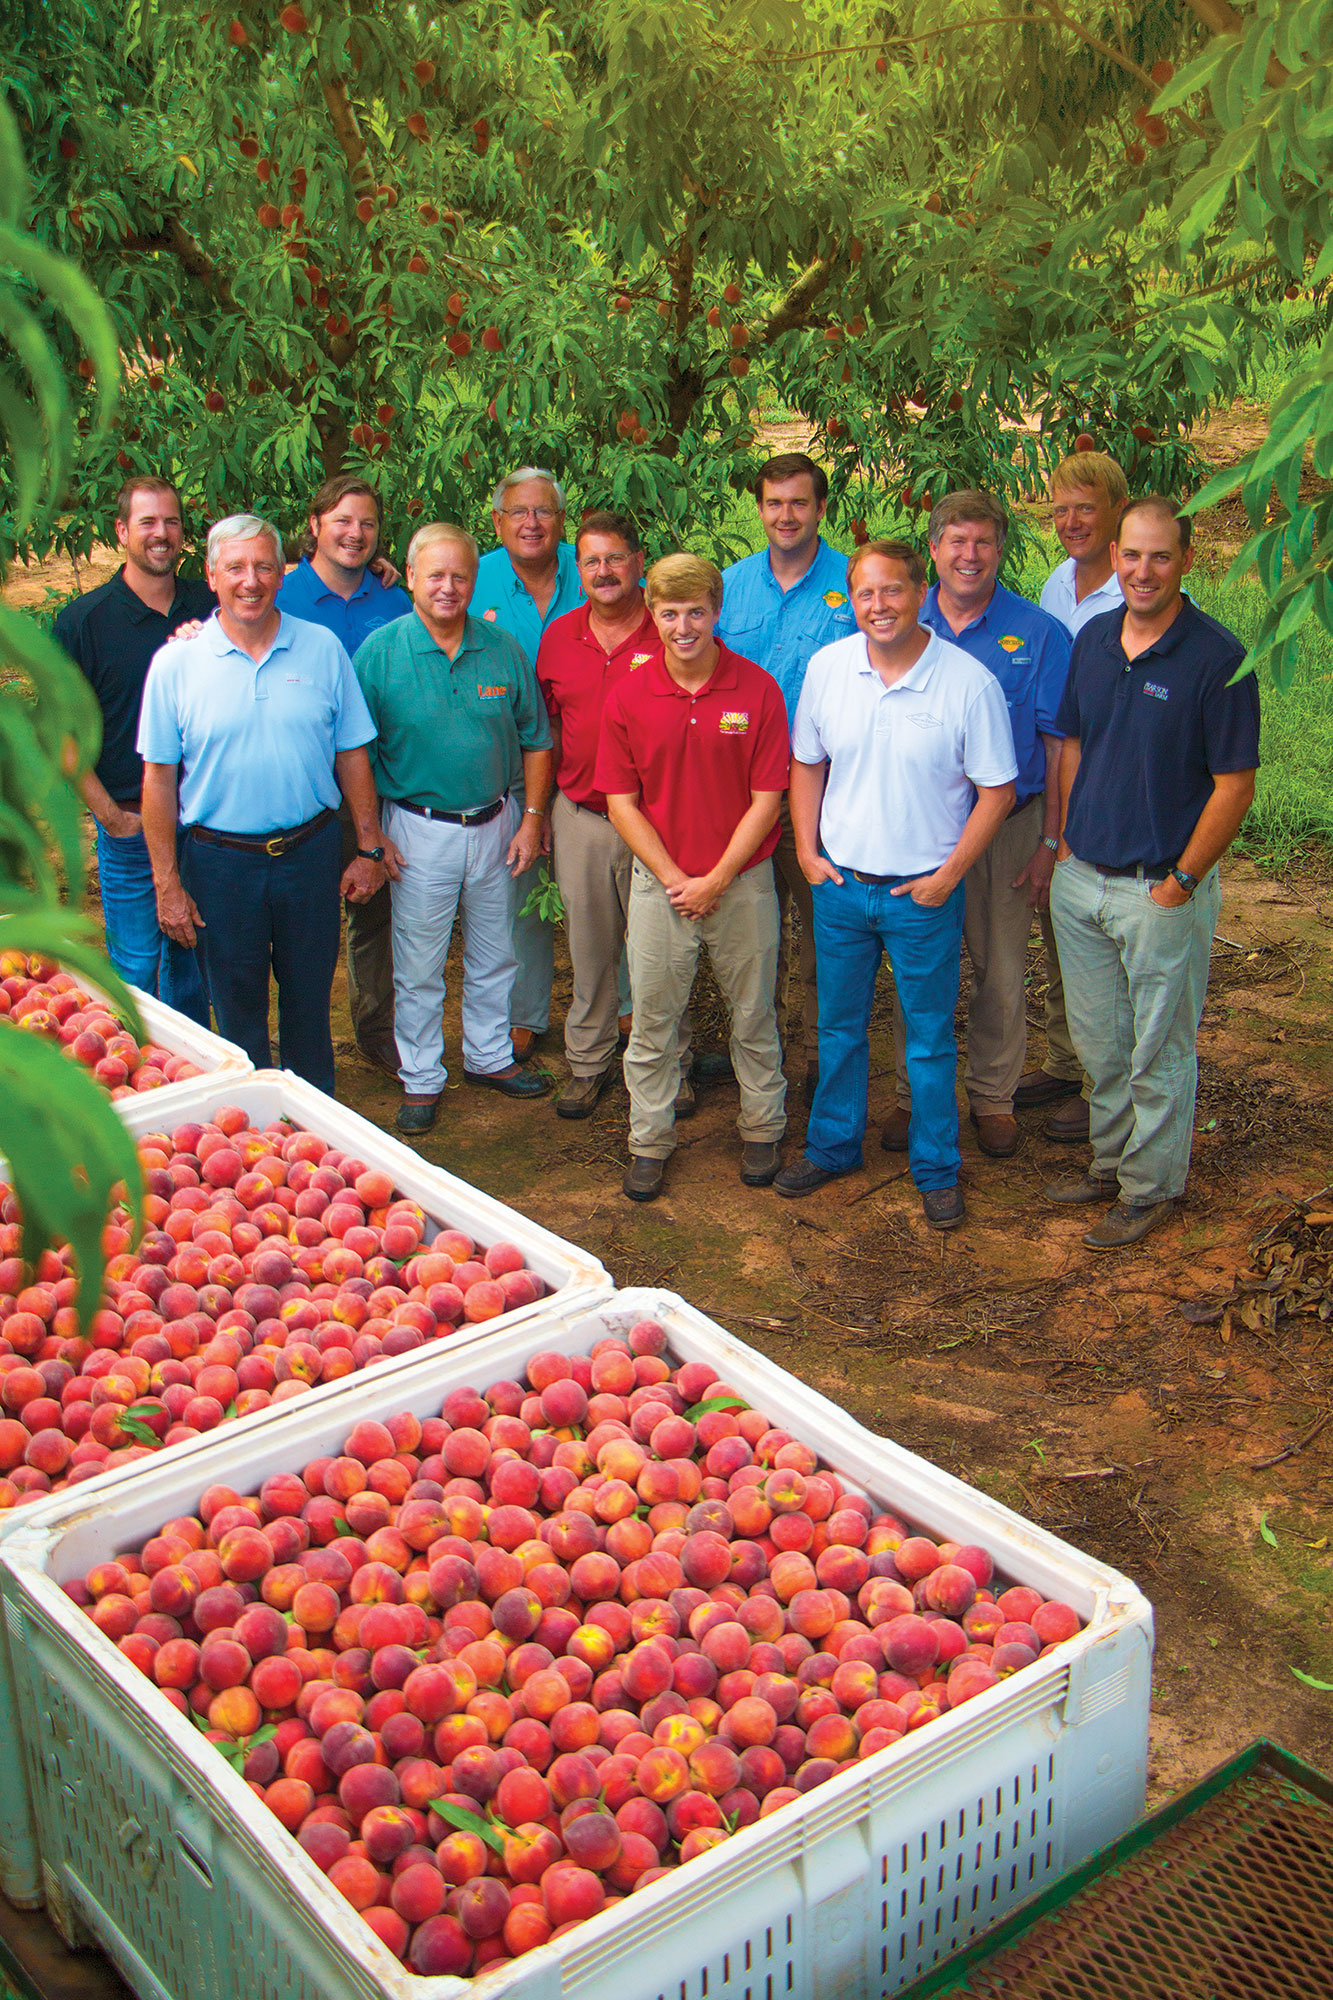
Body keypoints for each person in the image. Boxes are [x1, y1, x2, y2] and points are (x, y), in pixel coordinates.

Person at [775, 540, 1017, 1228]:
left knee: (929, 1036)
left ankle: (936, 1166)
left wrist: (947, 877)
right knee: (840, 1027)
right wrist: (806, 850)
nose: (876, 606)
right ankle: (831, 1147)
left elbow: (996, 792)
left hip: (922, 895)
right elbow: (806, 764)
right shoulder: (828, 668)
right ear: (851, 601)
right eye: (864, 594)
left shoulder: (966, 681)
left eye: (891, 591)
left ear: (920, 592)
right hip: (843, 888)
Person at [1046, 495, 1259, 1249]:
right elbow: (1070, 742)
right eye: (1130, 555)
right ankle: (1109, 1163)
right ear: (1114, 557)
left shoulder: (1217, 658)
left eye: (1159, 556)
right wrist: (1065, 843)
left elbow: (1234, 784)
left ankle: (1149, 1187)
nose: (1142, 570)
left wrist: (1184, 882)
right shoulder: (1095, 640)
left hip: (1158, 889)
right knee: (1099, 1043)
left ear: (1186, 561)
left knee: (1157, 1049)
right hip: (1082, 880)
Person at [138, 514, 392, 1094]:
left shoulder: (322, 648)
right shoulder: (176, 664)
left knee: (309, 1008)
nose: (249, 580)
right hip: (219, 865)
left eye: (262, 566)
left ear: (283, 573)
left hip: (309, 855)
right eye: (234, 568)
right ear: (210, 575)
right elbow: (158, 780)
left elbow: (353, 754)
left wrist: (370, 847)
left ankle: (316, 1135)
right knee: (236, 1017)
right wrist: (166, 883)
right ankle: (250, 1141)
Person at [880, 491, 1070, 1159]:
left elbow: (1056, 744)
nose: (968, 555)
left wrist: (1050, 840)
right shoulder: (898, 619)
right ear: (932, 549)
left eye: (982, 542)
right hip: (920, 827)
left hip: (1007, 828)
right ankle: (913, 1095)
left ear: (999, 550)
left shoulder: (1038, 633)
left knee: (999, 970)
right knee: (918, 968)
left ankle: (993, 1098)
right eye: (955, 541)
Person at [598, 554, 790, 1202]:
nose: (683, 626)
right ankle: (648, 1142)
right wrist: (677, 876)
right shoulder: (628, 694)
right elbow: (620, 800)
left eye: (696, 612)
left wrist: (716, 878)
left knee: (753, 1016)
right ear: (651, 614)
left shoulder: (756, 690)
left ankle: (762, 1126)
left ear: (716, 611)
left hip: (743, 882)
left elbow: (768, 797)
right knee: (653, 1022)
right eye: (669, 612)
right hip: (661, 885)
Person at [352, 524, 554, 1134]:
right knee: (418, 963)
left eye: (459, 576)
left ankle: (490, 1057)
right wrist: (371, 834)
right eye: (434, 575)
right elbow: (354, 751)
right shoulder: (380, 654)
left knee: (497, 954)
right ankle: (421, 1077)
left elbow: (537, 741)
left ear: (474, 580)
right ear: (410, 577)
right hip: (417, 830)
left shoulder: (501, 649)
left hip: (498, 823)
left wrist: (533, 819)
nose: (447, 587)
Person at [717, 452, 856, 1097]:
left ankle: (820, 1059)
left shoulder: (853, 584)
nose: (786, 516)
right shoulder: (730, 586)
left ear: (821, 508)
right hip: (742, 793)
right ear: (760, 507)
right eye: (774, 503)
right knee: (753, 933)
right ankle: (758, 1055)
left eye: (799, 503)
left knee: (824, 933)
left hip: (830, 793)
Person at [54, 477, 211, 1022]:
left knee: (193, 970)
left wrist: (373, 570)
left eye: (171, 522)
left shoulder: (210, 606)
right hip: (129, 823)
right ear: (122, 531)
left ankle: (192, 1081)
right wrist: (111, 818)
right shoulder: (83, 623)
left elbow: (274, 588)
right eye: (147, 522)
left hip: (202, 824)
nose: (161, 534)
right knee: (137, 969)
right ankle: (136, 1076)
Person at [276, 477, 412, 1079]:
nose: (355, 534)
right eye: (342, 522)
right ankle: (285, 1043)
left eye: (367, 524)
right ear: (314, 525)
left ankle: (374, 1030)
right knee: (295, 922)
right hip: (302, 785)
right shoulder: (279, 593)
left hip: (377, 780)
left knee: (373, 913)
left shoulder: (393, 597)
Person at [1015, 452, 1130, 1134]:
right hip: (1064, 778)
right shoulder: (1059, 582)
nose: (1069, 522)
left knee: (1106, 948)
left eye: (1084, 508)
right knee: (1060, 930)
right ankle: (1065, 1059)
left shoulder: (1137, 583)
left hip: (1116, 784)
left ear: (1114, 510)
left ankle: (1103, 1084)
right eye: (1059, 509)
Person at [535, 511, 661, 1118]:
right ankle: (589, 1063)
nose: (605, 570)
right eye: (592, 561)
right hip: (581, 814)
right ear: (577, 570)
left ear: (639, 562)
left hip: (657, 821)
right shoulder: (560, 637)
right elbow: (551, 727)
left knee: (661, 953)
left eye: (616, 558)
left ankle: (669, 1067)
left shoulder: (669, 632)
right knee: (589, 951)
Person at [473, 468, 584, 1061]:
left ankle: (619, 1007)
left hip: (595, 760)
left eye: (543, 512)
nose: (531, 523)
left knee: (605, 894)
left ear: (561, 520)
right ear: (498, 521)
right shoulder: (477, 577)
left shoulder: (590, 566)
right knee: (522, 889)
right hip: (510, 766)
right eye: (518, 512)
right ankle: (524, 1012)